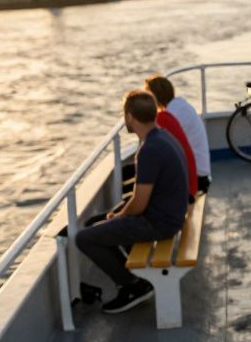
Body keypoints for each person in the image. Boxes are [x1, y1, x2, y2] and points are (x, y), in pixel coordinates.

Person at [76, 90, 191, 313]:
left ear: (129, 117)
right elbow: (143, 197)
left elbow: (138, 204)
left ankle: (132, 286)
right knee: (94, 223)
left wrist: (119, 215)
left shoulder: (150, 149)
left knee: (84, 238)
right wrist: (117, 214)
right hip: (169, 213)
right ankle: (133, 277)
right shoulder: (163, 136)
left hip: (160, 222)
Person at [145, 74, 212, 194]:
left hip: (195, 178)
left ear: (155, 97)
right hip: (201, 173)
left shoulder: (170, 115)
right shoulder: (180, 106)